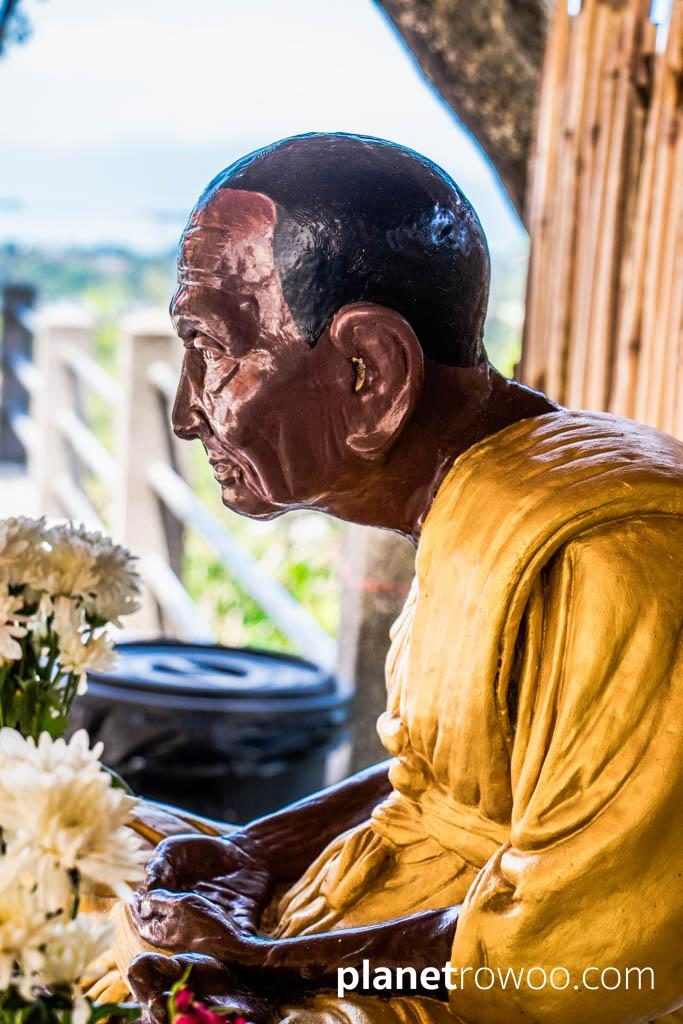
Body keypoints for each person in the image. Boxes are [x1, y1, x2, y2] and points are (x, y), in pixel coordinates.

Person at [121, 134, 683, 1024]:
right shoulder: (485, 489)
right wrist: (257, 851)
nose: (192, 412)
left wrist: (282, 972)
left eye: (215, 351)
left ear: (368, 372)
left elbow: (578, 967)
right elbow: (440, 781)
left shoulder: (609, 553)